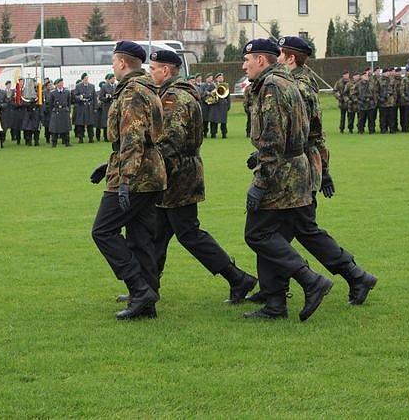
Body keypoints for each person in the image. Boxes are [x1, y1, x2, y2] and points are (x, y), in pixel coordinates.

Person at [247, 36, 376, 307]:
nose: (277, 58)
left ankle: (348, 277)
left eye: (280, 54)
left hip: (294, 167)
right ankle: (274, 292)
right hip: (292, 163)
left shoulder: (297, 85)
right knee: (285, 230)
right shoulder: (286, 82)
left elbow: (309, 133)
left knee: (295, 230)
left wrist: (323, 170)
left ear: (290, 58)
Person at [146, 50, 257, 304]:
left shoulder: (174, 98)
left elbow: (170, 141)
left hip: (177, 174)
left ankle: (238, 278)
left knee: (189, 234)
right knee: (158, 234)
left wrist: (143, 164)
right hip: (175, 172)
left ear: (166, 70)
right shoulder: (174, 94)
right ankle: (146, 287)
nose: (150, 72)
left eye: (153, 68)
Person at [239, 38, 332, 322]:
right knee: (274, 235)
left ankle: (311, 280)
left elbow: (273, 140)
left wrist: (259, 183)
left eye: (247, 60)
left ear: (262, 61)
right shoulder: (286, 82)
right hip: (294, 168)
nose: (244, 65)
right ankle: (275, 304)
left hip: (282, 173)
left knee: (257, 234)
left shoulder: (272, 87)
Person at [89, 41, 166, 320]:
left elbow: (133, 138)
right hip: (150, 173)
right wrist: (109, 162)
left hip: (135, 176)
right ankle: (147, 300)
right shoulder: (147, 88)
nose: (112, 67)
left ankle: (139, 288)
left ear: (122, 63)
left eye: (113, 62)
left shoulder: (132, 93)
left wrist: (124, 178)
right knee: (139, 238)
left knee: (103, 231)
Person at [47, 78, 72, 147]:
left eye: (62, 83)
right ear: (57, 84)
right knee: (55, 129)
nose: (61, 84)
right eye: (59, 83)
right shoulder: (53, 93)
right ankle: (54, 143)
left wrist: (68, 110)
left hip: (64, 112)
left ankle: (67, 142)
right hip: (56, 112)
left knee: (66, 128)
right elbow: (50, 104)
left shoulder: (67, 92)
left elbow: (69, 103)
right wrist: (54, 110)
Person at [73, 73, 97, 143]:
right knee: (81, 124)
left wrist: (95, 107)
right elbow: (75, 95)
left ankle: (91, 138)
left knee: (90, 124)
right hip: (81, 106)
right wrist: (79, 97)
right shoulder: (78, 86)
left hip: (89, 106)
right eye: (85, 78)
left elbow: (94, 97)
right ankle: (80, 138)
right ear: (82, 79)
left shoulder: (92, 86)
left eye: (87, 78)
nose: (86, 80)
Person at [208, 72, 231, 138]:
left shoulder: (225, 85)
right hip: (215, 105)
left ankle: (224, 133)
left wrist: (228, 105)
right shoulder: (212, 85)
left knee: (223, 121)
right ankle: (213, 133)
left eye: (222, 77)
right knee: (214, 121)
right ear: (216, 79)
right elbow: (208, 93)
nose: (221, 79)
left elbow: (228, 96)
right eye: (219, 77)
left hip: (223, 105)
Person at [96, 73, 116, 142]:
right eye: (113, 78)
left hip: (114, 106)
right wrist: (107, 98)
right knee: (106, 123)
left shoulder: (115, 86)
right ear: (109, 79)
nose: (114, 79)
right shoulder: (104, 86)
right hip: (107, 106)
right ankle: (106, 137)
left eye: (114, 78)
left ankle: (113, 136)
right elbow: (101, 97)